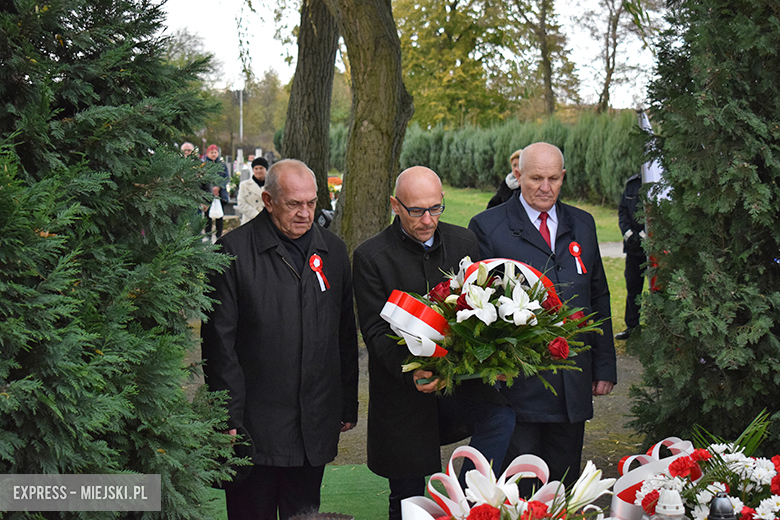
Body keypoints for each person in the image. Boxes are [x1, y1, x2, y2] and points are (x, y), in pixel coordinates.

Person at [353, 166, 515, 520]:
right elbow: (375, 331)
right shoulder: (370, 256)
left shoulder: (464, 242)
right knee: (407, 500)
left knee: (500, 416)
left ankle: (464, 503)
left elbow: (482, 306)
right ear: (395, 205)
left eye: (435, 208)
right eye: (416, 211)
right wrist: (413, 372)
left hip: (459, 385)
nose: (427, 220)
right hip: (404, 391)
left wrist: (494, 360)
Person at [201, 159, 359, 520]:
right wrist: (226, 416)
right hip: (254, 428)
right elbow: (218, 345)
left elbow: (343, 334)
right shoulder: (232, 253)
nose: (305, 213)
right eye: (294, 204)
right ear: (268, 200)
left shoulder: (333, 251)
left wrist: (346, 403)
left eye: (312, 203)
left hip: (312, 426)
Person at [468, 142, 617, 495]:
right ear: (518, 175)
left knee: (563, 488)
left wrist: (604, 366)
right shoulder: (488, 227)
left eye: (554, 179)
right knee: (520, 493)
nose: (545, 188)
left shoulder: (583, 224)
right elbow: (476, 307)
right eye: (536, 178)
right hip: (518, 388)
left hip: (572, 384)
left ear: (563, 177)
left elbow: (598, 296)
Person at [615, 173, 646, 340]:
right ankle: (632, 328)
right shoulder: (632, 184)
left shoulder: (658, 180)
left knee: (660, 289)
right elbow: (623, 212)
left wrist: (643, 235)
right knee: (633, 288)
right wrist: (629, 235)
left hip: (654, 248)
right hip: (633, 249)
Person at [203, 144, 230, 238]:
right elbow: (202, 178)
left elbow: (226, 177)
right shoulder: (204, 165)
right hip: (208, 193)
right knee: (207, 216)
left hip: (220, 193)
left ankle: (219, 235)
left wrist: (219, 186)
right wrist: (211, 187)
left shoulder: (222, 164)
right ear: (207, 154)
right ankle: (208, 235)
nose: (213, 154)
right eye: (211, 152)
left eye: (215, 152)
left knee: (220, 215)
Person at [236, 157, 268, 225]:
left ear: (266, 169)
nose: (258, 171)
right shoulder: (244, 185)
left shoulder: (272, 185)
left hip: (267, 222)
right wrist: (257, 215)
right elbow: (242, 204)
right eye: (256, 169)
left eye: (261, 168)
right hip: (250, 221)